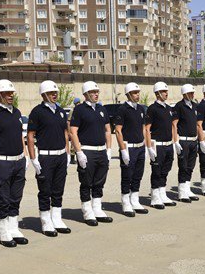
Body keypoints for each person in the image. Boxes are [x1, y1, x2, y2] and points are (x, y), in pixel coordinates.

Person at [0, 80, 29, 247]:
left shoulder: (16, 112)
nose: (10, 96)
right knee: (3, 197)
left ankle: (13, 228)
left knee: (16, 196)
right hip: (1, 162)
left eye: (12, 93)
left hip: (18, 160)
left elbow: (20, 136)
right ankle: (3, 231)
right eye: (7, 93)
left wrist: (26, 156)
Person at [27, 80, 71, 237]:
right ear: (43, 94)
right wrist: (33, 158)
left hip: (60, 156)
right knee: (45, 191)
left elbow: (66, 133)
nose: (55, 95)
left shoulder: (60, 111)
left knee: (58, 190)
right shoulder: (37, 112)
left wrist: (67, 153)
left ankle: (57, 219)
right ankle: (46, 222)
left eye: (56, 92)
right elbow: (30, 136)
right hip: (45, 157)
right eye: (51, 93)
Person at [70, 81, 114, 226]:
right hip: (87, 150)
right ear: (86, 94)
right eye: (93, 92)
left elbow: (108, 130)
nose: (96, 94)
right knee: (86, 182)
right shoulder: (80, 110)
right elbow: (73, 132)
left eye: (97, 92)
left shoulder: (102, 109)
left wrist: (108, 149)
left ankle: (97, 208)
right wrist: (79, 152)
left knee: (99, 181)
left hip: (101, 150)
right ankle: (87, 211)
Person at [114, 82, 149, 217]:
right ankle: (125, 202)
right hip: (129, 148)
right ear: (128, 94)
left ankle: (134, 199)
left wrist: (145, 146)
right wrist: (123, 150)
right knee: (127, 176)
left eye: (138, 92)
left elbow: (143, 128)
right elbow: (118, 131)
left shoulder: (140, 109)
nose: (137, 95)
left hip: (140, 147)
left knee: (137, 175)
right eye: (134, 93)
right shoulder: (122, 110)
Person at [145, 81, 177, 209]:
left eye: (167, 91)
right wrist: (149, 147)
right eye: (164, 91)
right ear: (157, 93)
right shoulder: (152, 109)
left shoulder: (169, 109)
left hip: (168, 144)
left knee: (165, 170)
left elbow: (173, 127)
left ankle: (162, 193)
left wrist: (175, 142)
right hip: (157, 145)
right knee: (157, 171)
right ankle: (155, 197)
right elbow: (147, 129)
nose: (166, 93)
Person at [172, 84, 200, 203]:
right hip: (183, 141)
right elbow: (174, 124)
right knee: (183, 167)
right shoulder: (179, 106)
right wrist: (176, 141)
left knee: (190, 166)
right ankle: (181, 192)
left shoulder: (194, 106)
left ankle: (187, 188)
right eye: (191, 93)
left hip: (193, 140)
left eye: (193, 93)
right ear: (185, 94)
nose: (193, 95)